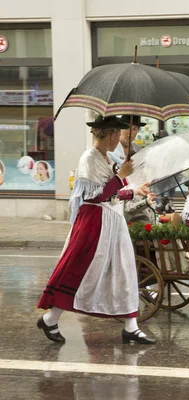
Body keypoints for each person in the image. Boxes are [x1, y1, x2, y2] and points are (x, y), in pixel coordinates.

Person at [36, 115, 156, 345]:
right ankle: (51, 318)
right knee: (79, 272)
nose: (119, 138)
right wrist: (121, 176)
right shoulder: (88, 159)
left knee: (124, 268)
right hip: (94, 224)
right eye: (117, 134)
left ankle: (131, 326)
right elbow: (95, 195)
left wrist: (134, 191)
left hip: (112, 222)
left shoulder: (104, 157)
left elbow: (110, 194)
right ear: (110, 134)